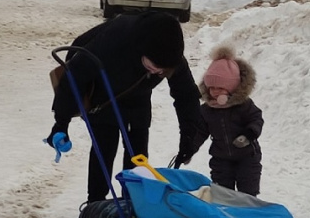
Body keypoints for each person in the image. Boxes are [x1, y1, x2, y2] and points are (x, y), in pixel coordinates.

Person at [46, 12, 203, 203]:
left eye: (162, 71)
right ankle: (95, 201)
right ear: (142, 51)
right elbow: (73, 77)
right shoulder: (113, 42)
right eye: (154, 66)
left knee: (137, 152)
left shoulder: (169, 56)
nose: (157, 72)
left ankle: (134, 202)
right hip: (103, 92)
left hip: (138, 94)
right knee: (104, 147)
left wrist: (189, 136)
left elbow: (186, 95)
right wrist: (61, 123)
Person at [193, 46, 264, 196]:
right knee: (223, 192)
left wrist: (248, 134)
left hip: (247, 156)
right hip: (221, 158)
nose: (215, 92)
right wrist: (190, 149)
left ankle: (248, 212)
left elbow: (256, 118)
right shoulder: (207, 110)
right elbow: (200, 131)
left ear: (232, 88)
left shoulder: (244, 105)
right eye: (212, 88)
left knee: (248, 189)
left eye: (220, 88)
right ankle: (227, 213)